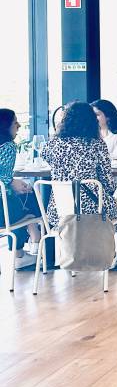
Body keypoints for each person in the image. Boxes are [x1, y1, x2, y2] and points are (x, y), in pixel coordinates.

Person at [41, 102, 117, 228]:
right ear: (92, 121)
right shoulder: (96, 144)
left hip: (60, 211)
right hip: (93, 211)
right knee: (116, 214)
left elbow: (47, 158)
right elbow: (109, 184)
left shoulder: (52, 144)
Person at [0, 109, 42, 268]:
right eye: (15, 122)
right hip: (3, 213)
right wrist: (10, 181)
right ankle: (34, 239)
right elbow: (4, 180)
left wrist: (11, 181)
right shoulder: (8, 146)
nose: (18, 126)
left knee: (21, 197)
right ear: (5, 126)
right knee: (31, 197)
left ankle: (21, 251)